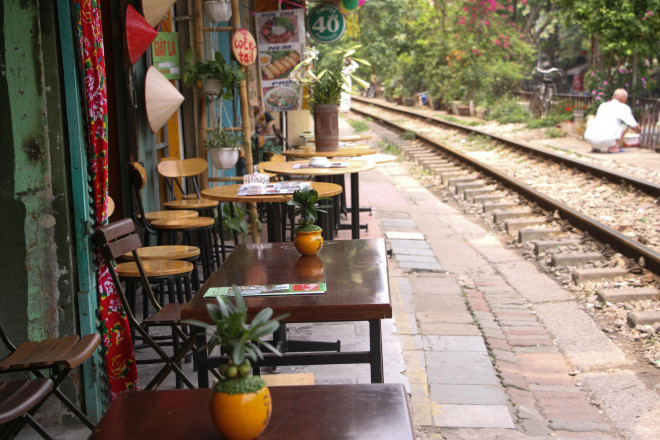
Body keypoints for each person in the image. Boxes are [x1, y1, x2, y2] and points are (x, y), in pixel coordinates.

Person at [584, 88, 641, 153]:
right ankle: (613, 148)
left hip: (589, 139)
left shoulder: (603, 105)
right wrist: (639, 131)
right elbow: (633, 124)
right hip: (608, 139)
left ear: (613, 97)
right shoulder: (624, 107)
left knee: (598, 121)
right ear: (624, 98)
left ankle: (595, 147)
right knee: (625, 126)